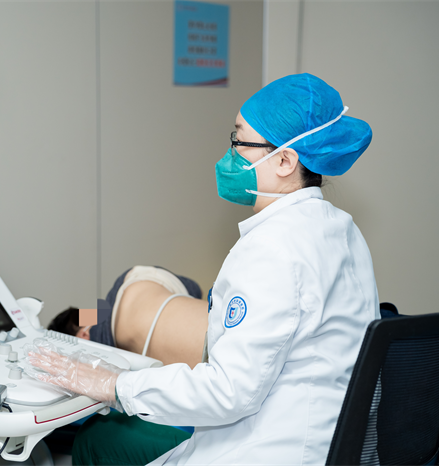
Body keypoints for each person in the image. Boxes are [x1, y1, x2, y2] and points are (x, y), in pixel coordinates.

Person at [27, 73, 378, 465]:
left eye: (239, 141)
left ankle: (68, 328)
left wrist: (112, 384)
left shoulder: (271, 249)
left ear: (285, 161)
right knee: (101, 313)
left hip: (274, 445)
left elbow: (229, 391)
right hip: (152, 292)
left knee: (98, 424)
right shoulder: (343, 230)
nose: (230, 153)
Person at [49, 266, 208, 368]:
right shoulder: (107, 310)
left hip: (131, 312)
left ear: (83, 335)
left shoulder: (109, 331)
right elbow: (196, 289)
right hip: (136, 277)